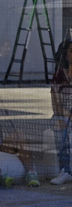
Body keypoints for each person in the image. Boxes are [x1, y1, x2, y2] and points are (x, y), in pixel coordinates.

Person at [50, 39, 72, 185]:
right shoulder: (58, 76)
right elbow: (55, 104)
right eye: (71, 51)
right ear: (65, 55)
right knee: (60, 125)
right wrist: (65, 115)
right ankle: (66, 170)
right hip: (63, 115)